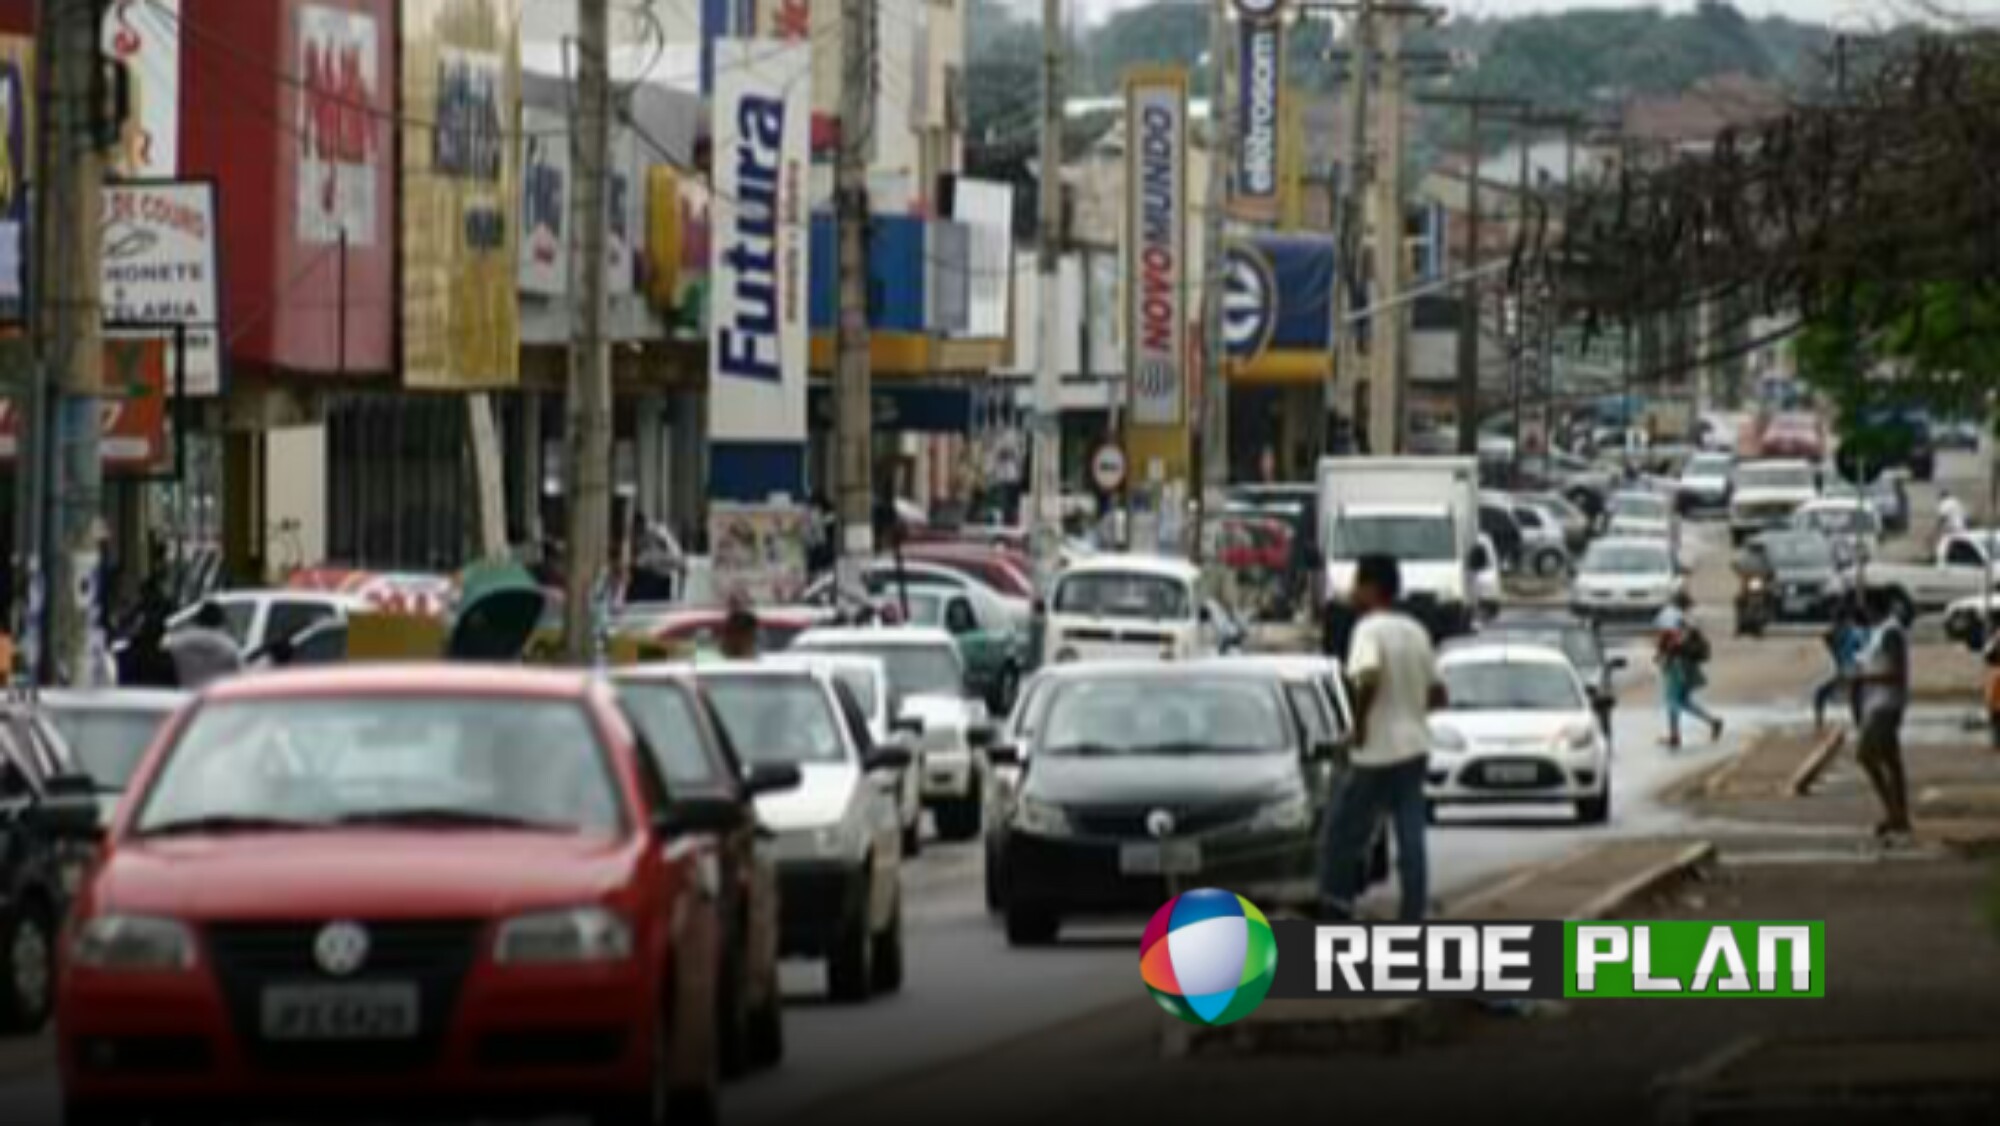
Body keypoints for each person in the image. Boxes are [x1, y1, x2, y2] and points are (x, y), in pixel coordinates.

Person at [1318, 554, 1445, 923]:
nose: (1354, 591)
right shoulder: (1416, 631)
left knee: (1342, 832)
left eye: (1358, 583)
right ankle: (1412, 912)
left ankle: (1336, 905)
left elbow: (1367, 676)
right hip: (1415, 747)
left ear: (1372, 588)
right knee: (1410, 835)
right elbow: (1439, 694)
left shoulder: (1368, 630)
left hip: (1374, 752)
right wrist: (1410, 707)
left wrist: (1358, 725)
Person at [1853, 590, 1913, 838]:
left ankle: (1894, 811)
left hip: (1885, 705)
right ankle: (1898, 814)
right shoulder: (1877, 632)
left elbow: (1897, 673)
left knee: (1866, 755)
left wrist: (1862, 678)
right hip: (1876, 703)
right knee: (1891, 761)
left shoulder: (1891, 633)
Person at [1656, 591, 1723, 749]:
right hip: (1688, 664)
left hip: (1676, 664)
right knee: (1683, 701)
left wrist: (1663, 656)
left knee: (1672, 700)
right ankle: (1713, 721)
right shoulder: (1689, 620)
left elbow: (1670, 640)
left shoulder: (1671, 618)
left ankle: (1675, 736)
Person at [1813, 597, 1867, 731]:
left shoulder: (1845, 632)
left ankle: (1859, 724)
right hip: (1856, 669)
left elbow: (1843, 652)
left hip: (1853, 670)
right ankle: (1859, 723)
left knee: (1822, 694)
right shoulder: (1854, 631)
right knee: (1855, 697)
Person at [163, 600, 243, 690]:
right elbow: (239, 677)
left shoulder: (179, 641)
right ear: (220, 621)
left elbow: (166, 669)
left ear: (198, 619)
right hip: (213, 698)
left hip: (182, 696)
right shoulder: (229, 646)